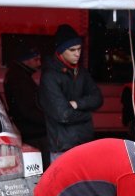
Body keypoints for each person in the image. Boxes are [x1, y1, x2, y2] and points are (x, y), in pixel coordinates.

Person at [39, 24, 103, 162]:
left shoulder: (81, 72)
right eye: (72, 50)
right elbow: (63, 114)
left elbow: (98, 98)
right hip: (62, 147)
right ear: (60, 51)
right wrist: (87, 115)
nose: (77, 54)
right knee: (64, 183)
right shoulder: (49, 76)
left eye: (79, 49)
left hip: (84, 143)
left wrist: (77, 103)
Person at [4, 47, 49, 167]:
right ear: (25, 60)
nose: (39, 63)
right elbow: (26, 110)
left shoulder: (18, 75)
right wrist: (47, 121)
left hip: (30, 130)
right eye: (36, 59)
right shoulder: (19, 79)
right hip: (33, 133)